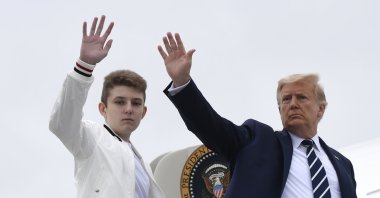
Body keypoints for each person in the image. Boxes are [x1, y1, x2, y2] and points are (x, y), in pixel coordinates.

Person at [157, 32, 357, 197]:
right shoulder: (257, 140)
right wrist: (183, 83)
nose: (293, 104)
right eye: (286, 99)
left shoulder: (343, 164)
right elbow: (210, 126)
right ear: (279, 110)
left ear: (320, 109)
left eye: (302, 98)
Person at [49, 15, 165, 198]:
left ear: (143, 112)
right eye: (120, 102)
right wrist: (84, 65)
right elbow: (62, 123)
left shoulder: (143, 167)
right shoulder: (91, 138)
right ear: (103, 109)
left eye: (136, 103)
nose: (128, 109)